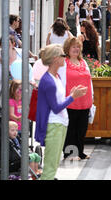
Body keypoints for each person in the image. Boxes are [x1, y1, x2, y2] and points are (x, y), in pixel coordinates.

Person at [35, 44, 87, 180]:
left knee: (53, 164)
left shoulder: (56, 77)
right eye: (63, 55)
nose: (65, 57)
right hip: (54, 125)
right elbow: (56, 107)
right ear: (55, 59)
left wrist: (71, 95)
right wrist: (72, 97)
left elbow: (57, 101)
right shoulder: (48, 81)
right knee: (50, 167)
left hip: (60, 124)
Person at [60, 37, 94, 160]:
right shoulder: (63, 63)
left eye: (78, 46)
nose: (76, 49)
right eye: (73, 46)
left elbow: (89, 81)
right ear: (67, 49)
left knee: (81, 129)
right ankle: (69, 154)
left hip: (84, 102)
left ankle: (80, 152)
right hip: (70, 101)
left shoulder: (83, 62)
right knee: (71, 129)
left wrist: (92, 96)